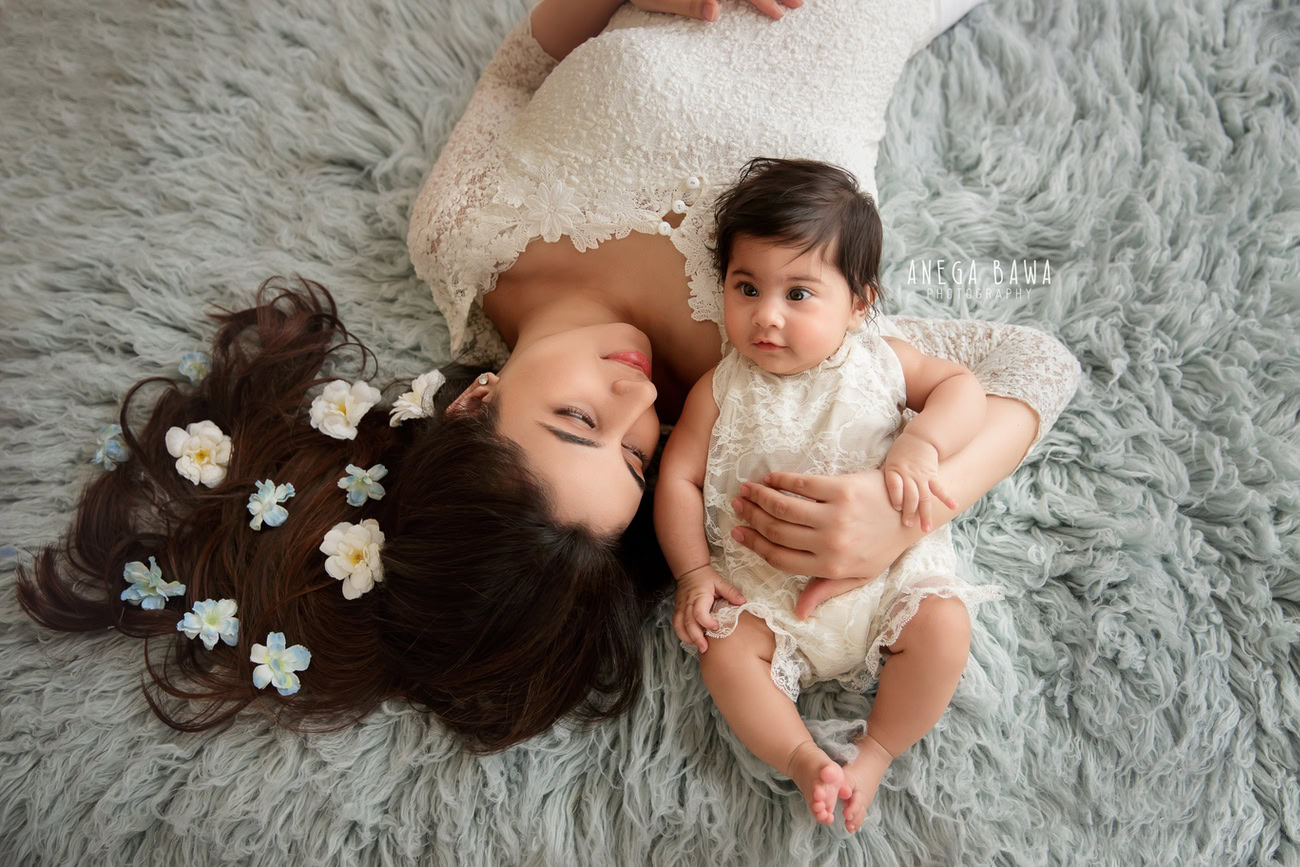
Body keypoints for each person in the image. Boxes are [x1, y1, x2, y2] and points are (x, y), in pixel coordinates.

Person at [18, 0, 1082, 756]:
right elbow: (1033, 365)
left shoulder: (454, 239)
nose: (639, 400)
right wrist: (916, 504)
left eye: (577, 419)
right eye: (635, 453)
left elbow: (520, 70)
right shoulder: (762, 352)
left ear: (476, 400)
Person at [657, 156, 1016, 832]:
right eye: (746, 287)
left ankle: (876, 748)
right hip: (765, 592)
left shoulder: (881, 357)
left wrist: (922, 442)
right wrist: (694, 571)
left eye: (798, 293)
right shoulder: (720, 387)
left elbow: (962, 388)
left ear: (859, 303)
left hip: (887, 576)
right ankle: (800, 754)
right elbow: (680, 478)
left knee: (942, 627)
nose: (767, 316)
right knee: (726, 657)